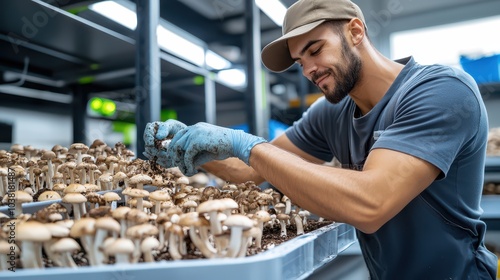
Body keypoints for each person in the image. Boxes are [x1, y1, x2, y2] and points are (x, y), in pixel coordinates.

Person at [143, 0, 498, 278]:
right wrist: (192, 146)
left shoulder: (440, 90)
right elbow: (252, 169)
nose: (309, 69)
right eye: (300, 61)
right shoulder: (333, 112)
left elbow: (370, 203)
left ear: (355, 31)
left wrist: (246, 143)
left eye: (315, 50)